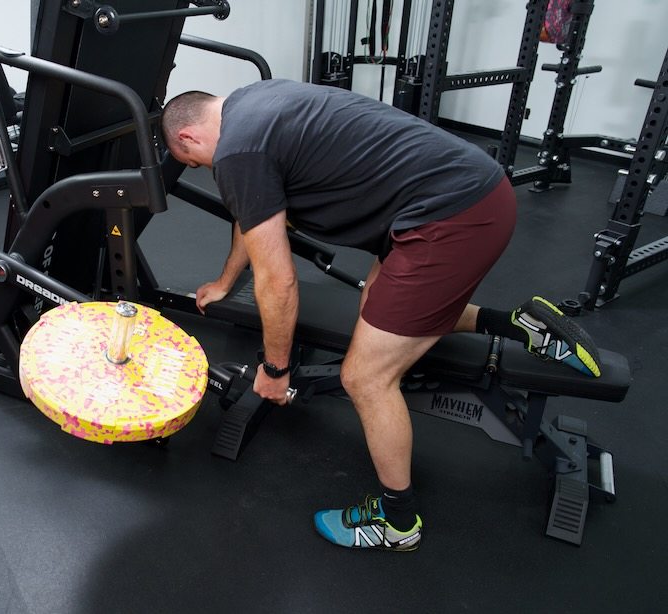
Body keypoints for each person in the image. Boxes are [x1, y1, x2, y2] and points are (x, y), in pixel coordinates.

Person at [160, 79, 601, 552]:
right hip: (473, 190)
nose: (206, 171)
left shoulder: (237, 153)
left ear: (188, 138)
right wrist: (226, 280)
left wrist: (275, 370)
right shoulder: (255, 101)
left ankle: (397, 521)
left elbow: (278, 281)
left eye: (193, 165)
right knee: (378, 307)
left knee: (365, 378)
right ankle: (519, 325)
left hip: (449, 220)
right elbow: (250, 215)